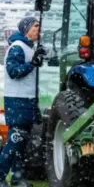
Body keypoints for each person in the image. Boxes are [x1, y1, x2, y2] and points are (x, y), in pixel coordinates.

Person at [0, 17, 46, 187]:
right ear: (26, 29)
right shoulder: (17, 48)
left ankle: (17, 178)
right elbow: (13, 72)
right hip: (17, 100)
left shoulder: (28, 48)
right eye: (35, 26)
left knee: (21, 144)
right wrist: (32, 64)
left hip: (27, 100)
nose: (38, 29)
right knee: (15, 140)